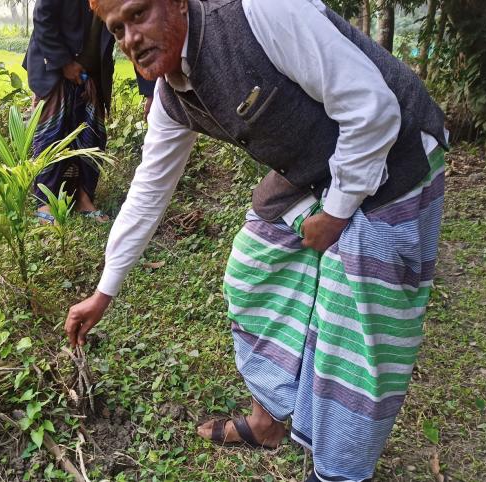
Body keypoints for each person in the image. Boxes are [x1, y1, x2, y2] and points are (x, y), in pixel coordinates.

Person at [63, 0, 448, 481]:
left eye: (138, 14)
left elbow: (373, 108)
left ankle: (340, 473)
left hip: (398, 156)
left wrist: (335, 213)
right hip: (315, 168)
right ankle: (268, 421)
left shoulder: (260, 13)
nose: (130, 39)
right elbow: (147, 192)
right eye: (117, 29)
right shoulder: (172, 96)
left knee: (356, 337)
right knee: (253, 273)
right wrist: (104, 291)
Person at [24, 0, 155, 223]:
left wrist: (150, 90)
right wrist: (65, 62)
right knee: (53, 134)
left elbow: (134, 33)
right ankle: (46, 202)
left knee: (92, 137)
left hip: (92, 73)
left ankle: (84, 198)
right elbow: (43, 16)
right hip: (55, 68)